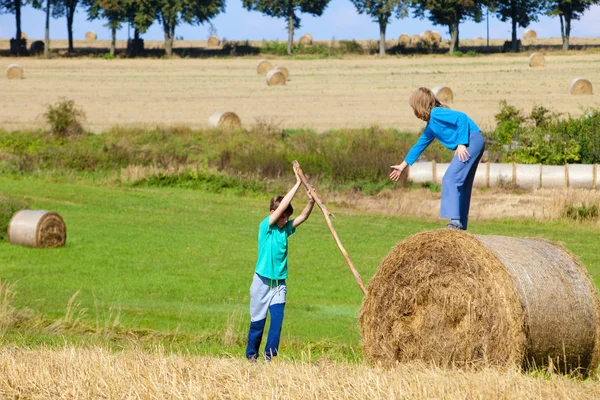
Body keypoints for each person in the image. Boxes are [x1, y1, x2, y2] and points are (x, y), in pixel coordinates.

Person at [389, 87, 485, 230]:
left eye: (413, 106)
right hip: (474, 140)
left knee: (450, 178)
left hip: (471, 140)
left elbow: (462, 117)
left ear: (419, 105)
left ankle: (455, 222)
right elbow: (419, 146)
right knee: (462, 184)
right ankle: (461, 224)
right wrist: (403, 165)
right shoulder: (431, 126)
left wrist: (461, 143)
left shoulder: (436, 113)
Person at [246, 165, 315, 362]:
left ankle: (269, 358)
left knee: (276, 322)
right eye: (283, 215)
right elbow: (283, 206)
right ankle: (251, 356)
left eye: (286, 216)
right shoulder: (265, 227)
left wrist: (310, 201)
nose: (286, 219)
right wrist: (297, 183)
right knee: (258, 322)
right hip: (261, 283)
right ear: (273, 213)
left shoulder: (285, 229)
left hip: (279, 285)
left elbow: (302, 217)